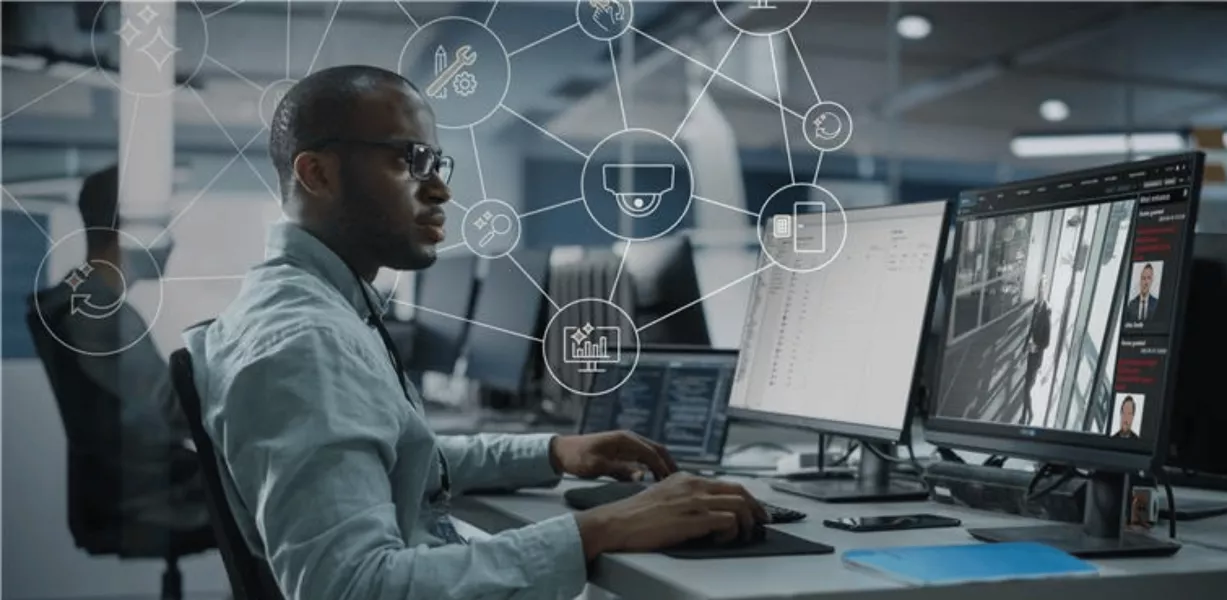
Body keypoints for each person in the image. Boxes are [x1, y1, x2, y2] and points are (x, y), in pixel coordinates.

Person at [183, 65, 768, 600]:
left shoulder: (311, 308)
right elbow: (351, 587)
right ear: (317, 172)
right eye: (409, 159)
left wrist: (555, 451)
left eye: (437, 164)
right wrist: (602, 528)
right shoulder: (307, 340)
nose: (439, 189)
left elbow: (400, 457)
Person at [37, 164, 209, 531]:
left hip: (141, 478)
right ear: (131, 231)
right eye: (162, 224)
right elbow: (175, 412)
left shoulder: (78, 296)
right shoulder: (100, 314)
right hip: (154, 491)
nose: (172, 239)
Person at [1020, 277, 1052, 426]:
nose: (1040, 292)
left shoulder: (1047, 311)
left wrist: (1036, 347)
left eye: (1042, 289)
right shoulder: (1036, 307)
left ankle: (1028, 415)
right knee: (1026, 386)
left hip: (1037, 355)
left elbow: (1047, 341)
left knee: (1027, 388)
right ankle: (1026, 414)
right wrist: (1024, 347)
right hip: (1031, 353)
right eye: (1039, 289)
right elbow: (1031, 330)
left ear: (1045, 291)